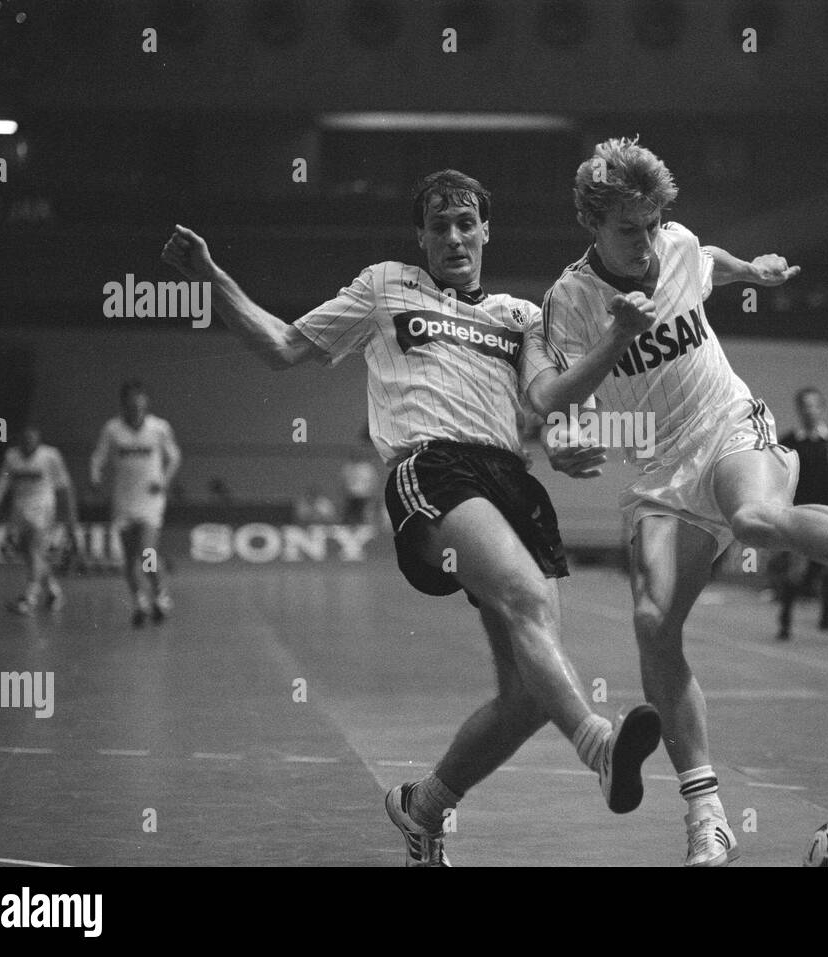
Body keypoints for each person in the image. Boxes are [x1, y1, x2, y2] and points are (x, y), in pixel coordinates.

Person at [161, 168, 662, 867]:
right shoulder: (385, 286)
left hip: (510, 484)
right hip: (433, 469)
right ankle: (600, 747)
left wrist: (590, 396)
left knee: (524, 695)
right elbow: (279, 346)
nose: (453, 235)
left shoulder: (519, 317)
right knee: (523, 597)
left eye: (466, 223)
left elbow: (553, 402)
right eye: (439, 225)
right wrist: (214, 277)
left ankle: (423, 808)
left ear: (487, 230)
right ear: (421, 236)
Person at [525, 137, 828, 866]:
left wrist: (751, 268)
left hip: (727, 423)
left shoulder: (678, 244)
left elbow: (706, 258)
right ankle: (707, 814)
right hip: (662, 469)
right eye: (629, 230)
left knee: (757, 518)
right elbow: (560, 395)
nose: (647, 242)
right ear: (593, 225)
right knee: (653, 619)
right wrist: (565, 438)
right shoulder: (571, 299)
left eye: (654, 222)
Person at [90, 380, 182, 627]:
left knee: (147, 552)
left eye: (140, 404)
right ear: (124, 405)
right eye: (131, 404)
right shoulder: (112, 429)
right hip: (123, 500)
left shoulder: (159, 428)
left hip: (150, 500)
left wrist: (163, 481)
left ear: (145, 403)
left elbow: (174, 457)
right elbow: (99, 456)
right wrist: (95, 475)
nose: (136, 409)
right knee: (130, 559)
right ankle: (139, 602)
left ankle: (160, 593)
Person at [773, 387, 828, 639]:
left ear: (822, 408)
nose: (810, 410)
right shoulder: (789, 441)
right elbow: (776, 475)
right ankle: (785, 621)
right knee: (796, 571)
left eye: (815, 405)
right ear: (799, 409)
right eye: (805, 405)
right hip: (798, 514)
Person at [0, 425, 79, 615]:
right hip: (20, 510)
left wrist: (67, 512)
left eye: (32, 439)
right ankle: (54, 592)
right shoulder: (12, 456)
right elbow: (4, 478)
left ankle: (30, 598)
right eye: (25, 439)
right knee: (30, 553)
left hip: (43, 509)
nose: (28, 442)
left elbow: (63, 484)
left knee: (34, 550)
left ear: (39, 440)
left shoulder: (50, 456)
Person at [340, 446, 379, 525]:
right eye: (354, 454)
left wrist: (372, 497)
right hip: (351, 497)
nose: (356, 456)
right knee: (350, 518)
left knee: (364, 518)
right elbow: (343, 483)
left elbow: (374, 483)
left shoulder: (368, 468)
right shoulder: (347, 468)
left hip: (364, 497)